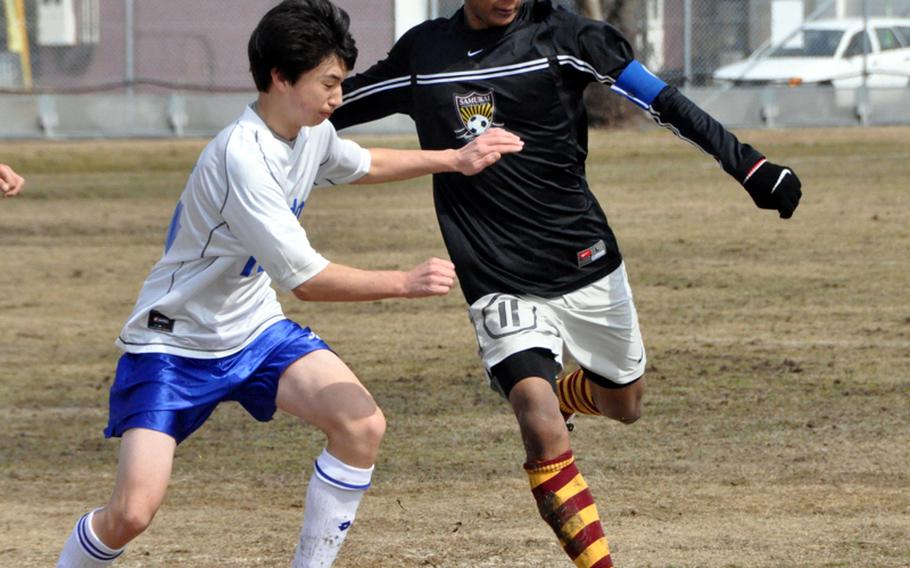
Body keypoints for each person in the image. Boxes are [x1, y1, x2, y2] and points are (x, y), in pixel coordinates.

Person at [330, 1, 802, 566]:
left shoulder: (571, 36)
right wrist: (271, 114)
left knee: (625, 403)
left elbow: (663, 100)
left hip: (583, 259)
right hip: (494, 273)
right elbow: (332, 107)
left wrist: (748, 165)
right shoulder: (426, 54)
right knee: (537, 417)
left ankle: (567, 393)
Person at [55, 1, 522, 567]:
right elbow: (307, 280)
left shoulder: (310, 134)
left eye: (341, 82)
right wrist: (405, 281)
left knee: (361, 424)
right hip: (173, 346)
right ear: (280, 77)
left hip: (254, 332)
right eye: (328, 82)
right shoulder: (242, 157)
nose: (338, 97)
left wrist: (455, 158)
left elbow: (363, 162)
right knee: (131, 513)